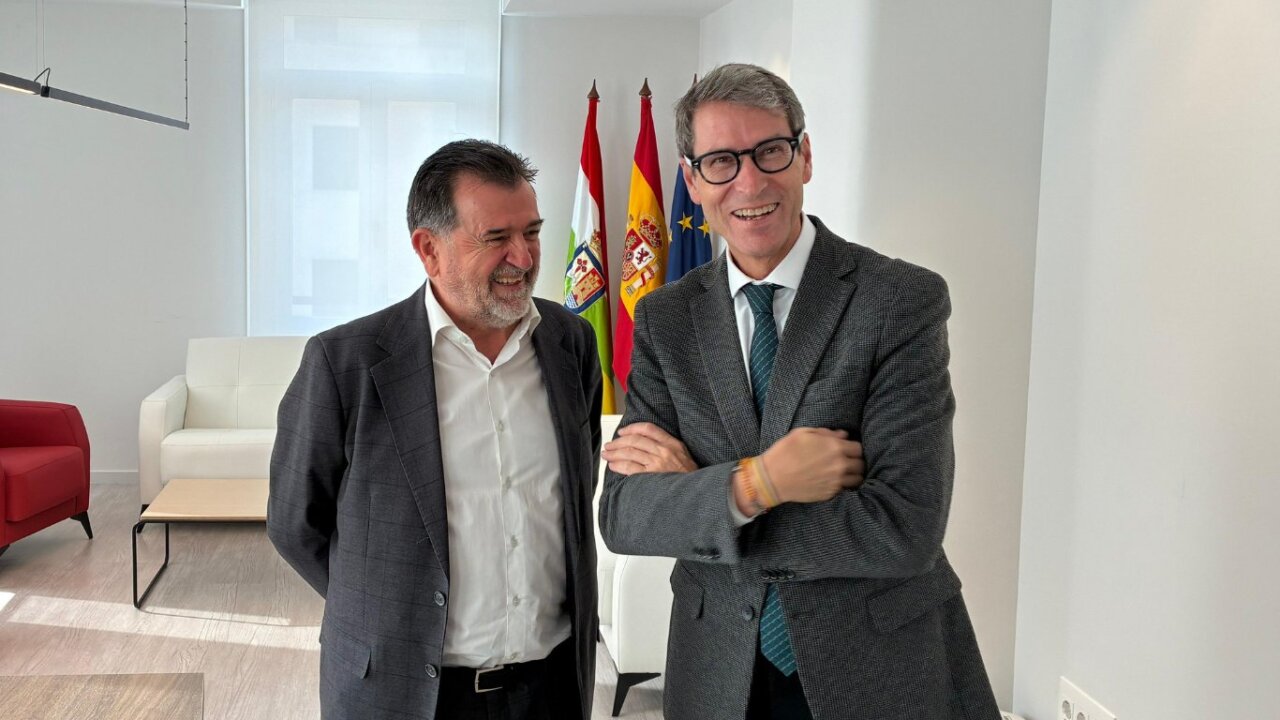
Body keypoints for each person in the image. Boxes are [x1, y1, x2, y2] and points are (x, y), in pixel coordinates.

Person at [598, 64, 1001, 720]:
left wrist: (702, 495)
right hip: (717, 669)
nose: (750, 182)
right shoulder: (666, 319)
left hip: (876, 666)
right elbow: (624, 516)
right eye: (721, 162)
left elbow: (905, 528)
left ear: (805, 155)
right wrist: (757, 483)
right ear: (692, 181)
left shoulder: (899, 300)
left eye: (770, 151)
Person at [268, 139, 602, 720]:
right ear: (429, 249)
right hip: (401, 691)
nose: (523, 257)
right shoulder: (345, 363)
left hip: (552, 689)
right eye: (496, 238)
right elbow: (296, 524)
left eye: (531, 232)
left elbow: (577, 489)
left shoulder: (570, 343)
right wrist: (386, 613)